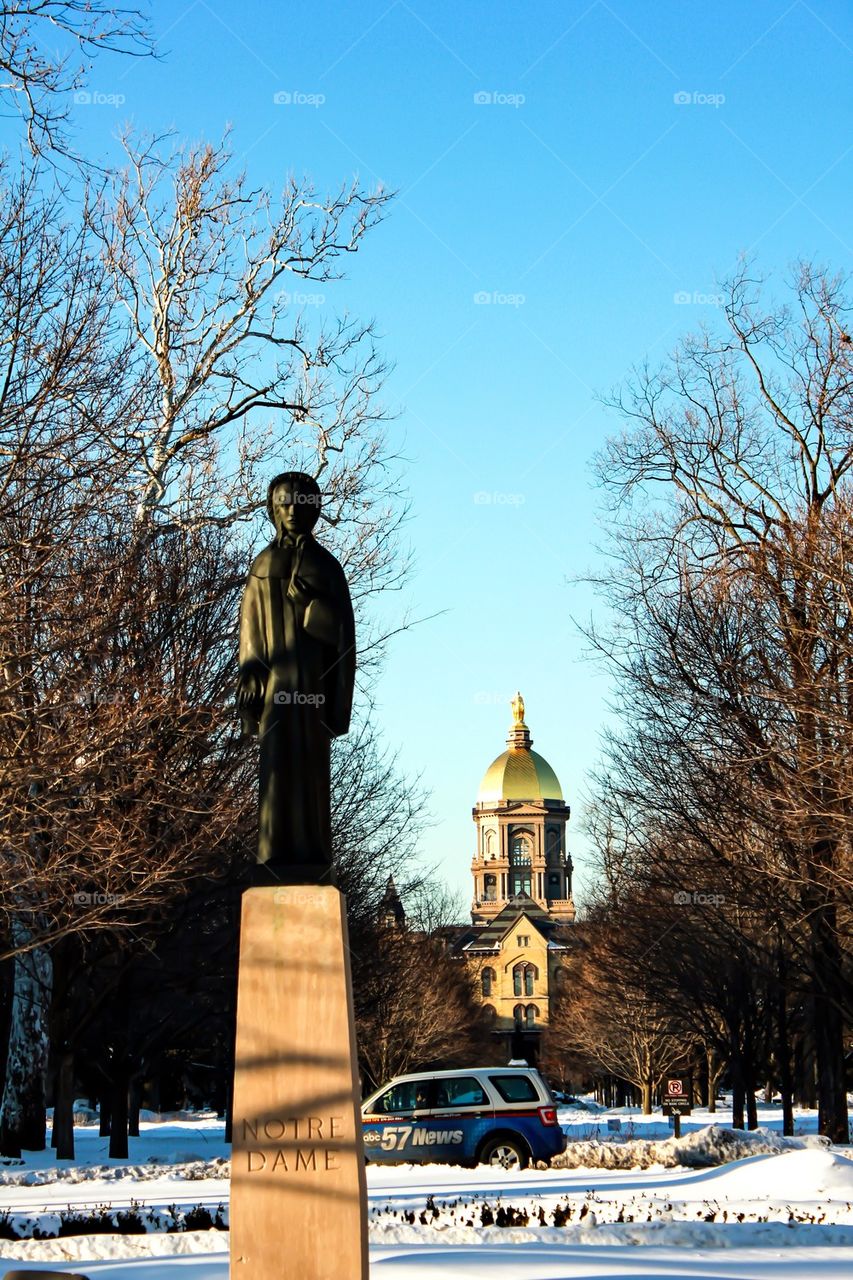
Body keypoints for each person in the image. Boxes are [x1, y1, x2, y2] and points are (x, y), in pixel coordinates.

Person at [236, 472, 355, 882]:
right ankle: (274, 855)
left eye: (299, 503)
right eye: (283, 503)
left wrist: (312, 609)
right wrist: (250, 671)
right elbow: (250, 631)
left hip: (312, 689)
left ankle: (311, 853)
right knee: (275, 768)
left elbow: (343, 638)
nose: (291, 511)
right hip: (275, 689)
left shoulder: (326, 567)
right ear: (272, 509)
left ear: (313, 509)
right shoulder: (263, 565)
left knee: (310, 770)